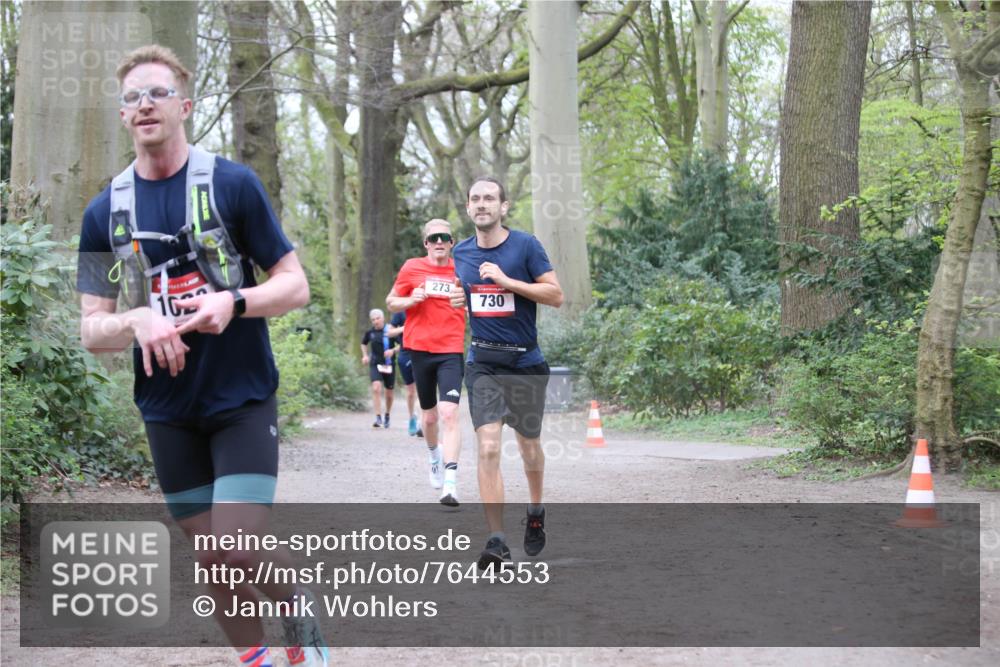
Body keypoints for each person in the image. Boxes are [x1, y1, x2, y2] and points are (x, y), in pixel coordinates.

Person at [76, 46, 328, 667]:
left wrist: (235, 303)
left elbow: (294, 284)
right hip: (166, 408)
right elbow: (91, 330)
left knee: (237, 547)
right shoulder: (103, 211)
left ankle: (296, 606)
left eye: (156, 94)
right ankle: (258, 660)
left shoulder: (232, 185)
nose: (144, 106)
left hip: (241, 397)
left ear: (184, 106)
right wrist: (135, 318)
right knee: (210, 556)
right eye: (132, 98)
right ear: (122, 115)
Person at [450, 177, 563, 569]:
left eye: (489, 198)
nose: (482, 204)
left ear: (503, 206)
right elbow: (470, 296)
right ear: (468, 208)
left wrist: (508, 282)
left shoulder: (526, 246)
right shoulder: (460, 254)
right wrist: (460, 297)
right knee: (488, 446)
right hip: (483, 363)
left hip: (525, 363)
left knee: (529, 446)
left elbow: (556, 295)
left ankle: (535, 510)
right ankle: (495, 540)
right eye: (475, 199)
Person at [387, 219, 467, 506]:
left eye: (444, 237)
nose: (439, 242)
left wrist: (465, 302)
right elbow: (391, 301)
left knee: (449, 413)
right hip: (419, 349)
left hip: (450, 349)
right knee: (430, 417)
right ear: (426, 243)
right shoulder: (412, 267)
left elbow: (477, 303)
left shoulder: (462, 268)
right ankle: (434, 454)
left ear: (451, 242)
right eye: (433, 238)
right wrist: (411, 299)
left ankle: (451, 483)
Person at [388, 310, 423, 438]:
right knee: (411, 391)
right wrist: (404, 328)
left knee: (422, 389)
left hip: (422, 351)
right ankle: (412, 418)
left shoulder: (425, 307)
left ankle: (422, 422)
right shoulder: (400, 312)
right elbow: (390, 332)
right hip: (405, 353)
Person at [361, 308, 397, 428]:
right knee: (376, 388)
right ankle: (378, 418)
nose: (376, 321)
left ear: (383, 318)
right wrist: (365, 355)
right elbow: (363, 343)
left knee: (389, 394)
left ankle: (387, 414)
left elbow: (403, 344)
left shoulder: (390, 331)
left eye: (378, 318)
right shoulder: (370, 332)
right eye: (373, 319)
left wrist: (393, 350)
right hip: (375, 363)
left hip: (388, 364)